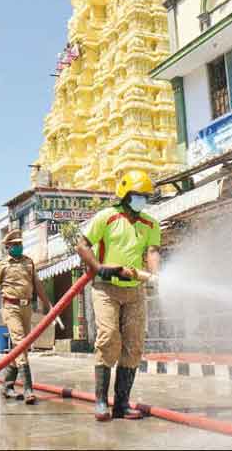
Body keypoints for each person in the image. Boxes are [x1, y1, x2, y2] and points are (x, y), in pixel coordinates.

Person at [76, 170, 161, 422]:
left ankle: (121, 404)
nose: (142, 200)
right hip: (105, 288)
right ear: (125, 195)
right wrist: (99, 267)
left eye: (145, 196)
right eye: (137, 195)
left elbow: (153, 251)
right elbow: (82, 244)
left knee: (134, 345)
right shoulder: (107, 216)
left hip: (135, 290)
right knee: (109, 337)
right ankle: (101, 401)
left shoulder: (150, 223)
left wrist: (154, 274)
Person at [0, 229, 52, 405]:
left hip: (26, 307)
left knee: (21, 346)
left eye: (20, 244)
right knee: (21, 342)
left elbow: (38, 285)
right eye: (14, 245)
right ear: (7, 247)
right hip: (10, 307)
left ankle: (7, 385)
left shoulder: (28, 262)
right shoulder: (2, 264)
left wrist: (49, 306)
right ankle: (29, 389)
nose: (18, 247)